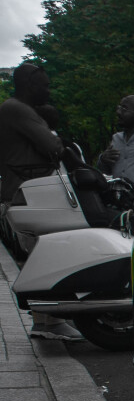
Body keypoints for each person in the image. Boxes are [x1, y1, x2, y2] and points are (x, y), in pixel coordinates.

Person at [0, 62, 83, 341]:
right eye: (44, 85)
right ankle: (48, 321)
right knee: (45, 254)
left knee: (40, 254)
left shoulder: (15, 109)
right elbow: (52, 147)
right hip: (28, 194)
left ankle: (48, 319)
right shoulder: (16, 109)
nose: (48, 90)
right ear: (29, 85)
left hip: (25, 193)